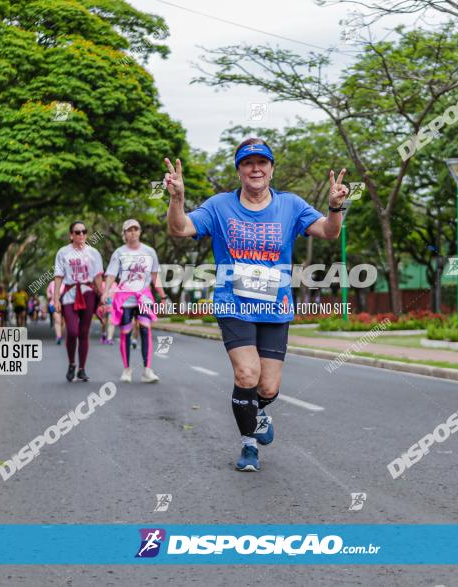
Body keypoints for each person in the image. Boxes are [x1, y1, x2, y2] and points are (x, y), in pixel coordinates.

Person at [166, 138, 347, 472]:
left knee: (268, 386)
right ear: (239, 171)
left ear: (271, 169)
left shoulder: (291, 205)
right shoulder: (219, 206)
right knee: (247, 374)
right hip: (233, 302)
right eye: (247, 163)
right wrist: (177, 199)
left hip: (275, 307)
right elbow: (180, 228)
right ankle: (249, 445)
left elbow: (329, 232)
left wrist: (335, 207)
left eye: (262, 162)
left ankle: (257, 409)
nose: (255, 169)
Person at [105, 218, 168, 383]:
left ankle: (147, 370)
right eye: (129, 230)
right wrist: (106, 292)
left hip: (144, 297)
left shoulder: (149, 252)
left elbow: (155, 276)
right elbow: (111, 274)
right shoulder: (119, 253)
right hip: (125, 298)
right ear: (124, 234)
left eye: (136, 229)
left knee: (146, 331)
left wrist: (163, 296)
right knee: (125, 333)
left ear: (140, 232)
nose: (133, 232)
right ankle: (127, 370)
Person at [51, 221, 104, 382]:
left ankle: (82, 369)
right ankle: (72, 364)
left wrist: (101, 297)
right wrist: (56, 299)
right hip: (69, 294)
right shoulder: (63, 252)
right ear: (71, 235)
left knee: (83, 333)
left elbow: (98, 277)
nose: (81, 235)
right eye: (77, 232)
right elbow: (58, 276)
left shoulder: (93, 253)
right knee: (72, 332)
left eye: (83, 231)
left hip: (88, 293)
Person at [46, 280, 64, 344]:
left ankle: (60, 334)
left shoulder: (66, 282)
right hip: (54, 304)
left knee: (62, 322)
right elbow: (48, 291)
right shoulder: (52, 283)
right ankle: (59, 337)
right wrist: (49, 295)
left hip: (65, 304)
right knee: (57, 321)